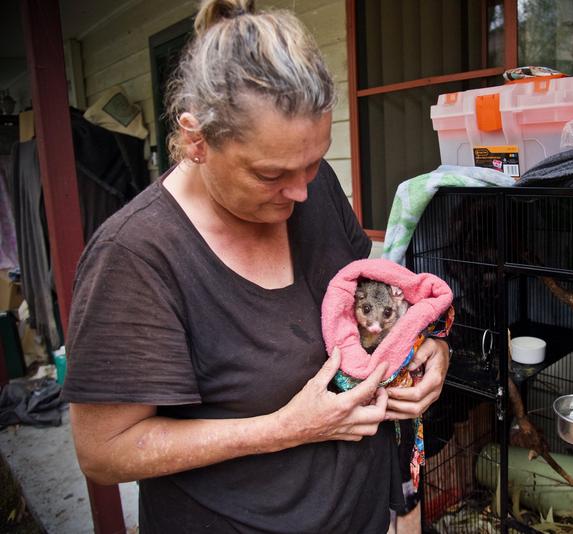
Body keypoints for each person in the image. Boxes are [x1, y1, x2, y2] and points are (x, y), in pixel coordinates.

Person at [62, 1, 450, 532]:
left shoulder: (315, 190)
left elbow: (370, 303)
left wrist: (422, 348)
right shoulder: (136, 256)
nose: (300, 190)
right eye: (271, 175)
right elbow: (104, 452)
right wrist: (284, 428)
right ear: (196, 141)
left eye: (313, 163)